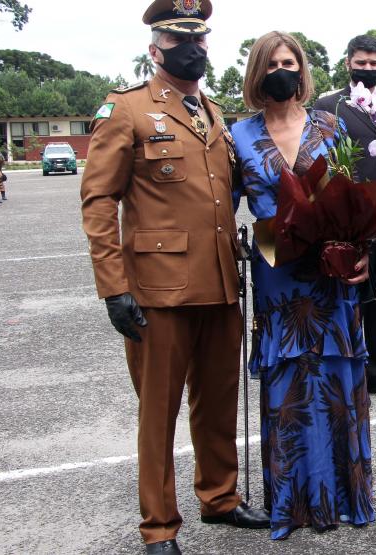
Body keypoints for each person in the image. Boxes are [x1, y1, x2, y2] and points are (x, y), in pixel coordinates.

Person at [80, 2, 269, 553]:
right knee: (158, 411)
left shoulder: (212, 112)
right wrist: (113, 286)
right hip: (157, 290)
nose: (193, 49)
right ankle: (159, 527)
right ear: (155, 49)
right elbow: (98, 201)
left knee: (218, 399)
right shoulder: (127, 110)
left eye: (200, 40)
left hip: (219, 282)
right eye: (180, 39)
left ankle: (220, 498)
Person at [233, 30, 374, 540]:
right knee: (289, 384)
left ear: (303, 69)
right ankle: (293, 505)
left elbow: (356, 200)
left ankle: (341, 498)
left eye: (289, 61)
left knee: (335, 379)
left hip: (331, 274)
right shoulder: (238, 136)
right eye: (271, 63)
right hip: (277, 273)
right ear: (256, 73)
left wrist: (362, 254)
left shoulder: (332, 127)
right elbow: (226, 214)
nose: (281, 70)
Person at [313, 34, 376, 397]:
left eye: (374, 63)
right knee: (347, 293)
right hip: (349, 218)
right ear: (348, 63)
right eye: (361, 63)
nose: (368, 69)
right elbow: (322, 163)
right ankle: (348, 372)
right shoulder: (329, 106)